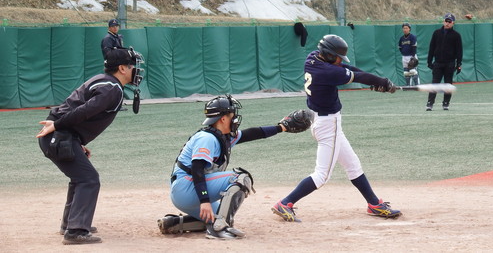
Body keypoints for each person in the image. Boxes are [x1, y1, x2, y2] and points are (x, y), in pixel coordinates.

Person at [271, 34, 401, 223]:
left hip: (323, 121)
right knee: (322, 175)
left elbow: (349, 69)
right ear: (329, 55)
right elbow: (355, 75)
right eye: (338, 57)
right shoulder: (328, 72)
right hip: (327, 125)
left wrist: (376, 82)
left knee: (353, 165)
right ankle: (285, 203)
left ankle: (373, 204)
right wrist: (381, 82)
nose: (340, 60)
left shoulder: (313, 58)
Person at [37, 47, 144, 245]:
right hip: (58, 134)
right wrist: (58, 126)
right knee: (88, 179)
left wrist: (76, 142)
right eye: (132, 66)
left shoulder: (104, 81)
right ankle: (75, 231)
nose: (135, 70)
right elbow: (86, 110)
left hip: (63, 135)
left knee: (81, 178)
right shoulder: (112, 88)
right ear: (122, 68)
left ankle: (70, 223)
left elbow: (80, 110)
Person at [161, 96, 309, 239]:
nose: (235, 119)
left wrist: (281, 127)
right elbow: (197, 169)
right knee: (240, 178)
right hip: (187, 187)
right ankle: (219, 230)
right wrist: (204, 201)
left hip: (187, 191)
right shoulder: (207, 139)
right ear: (223, 119)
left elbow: (252, 133)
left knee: (217, 215)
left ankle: (174, 224)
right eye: (233, 115)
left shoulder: (222, 135)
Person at [426, 13, 463, 111]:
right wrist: (429, 61)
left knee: (448, 84)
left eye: (449, 22)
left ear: (453, 23)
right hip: (438, 63)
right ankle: (430, 103)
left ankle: (446, 103)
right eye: (446, 21)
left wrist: (459, 64)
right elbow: (431, 47)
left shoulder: (456, 35)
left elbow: (459, 51)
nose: (447, 23)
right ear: (443, 21)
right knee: (435, 84)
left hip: (449, 64)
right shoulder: (436, 33)